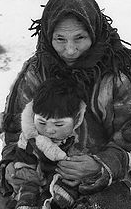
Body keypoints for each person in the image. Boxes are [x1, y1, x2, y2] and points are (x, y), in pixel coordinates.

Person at [0, 0, 131, 209]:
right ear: (48, 35)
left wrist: (101, 165)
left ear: (94, 32)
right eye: (60, 39)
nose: (69, 50)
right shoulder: (36, 70)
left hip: (116, 165)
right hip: (48, 163)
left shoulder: (119, 72)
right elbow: (15, 125)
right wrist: (13, 164)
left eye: (80, 38)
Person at [6, 77, 88, 209]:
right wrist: (26, 176)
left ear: (76, 119)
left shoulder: (80, 138)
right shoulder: (30, 139)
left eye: (59, 124)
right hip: (36, 180)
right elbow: (24, 161)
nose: (49, 130)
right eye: (42, 123)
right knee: (25, 194)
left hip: (68, 182)